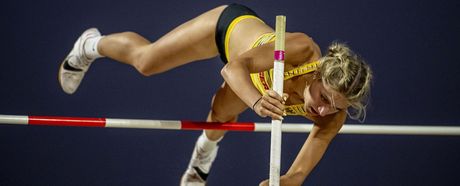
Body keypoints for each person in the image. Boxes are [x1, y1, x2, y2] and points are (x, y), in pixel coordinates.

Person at [58, 3, 372, 186]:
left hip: (255, 84)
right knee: (146, 62)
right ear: (318, 74)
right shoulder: (301, 49)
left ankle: (201, 159)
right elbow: (234, 68)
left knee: (220, 116)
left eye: (335, 106)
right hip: (226, 31)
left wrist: (284, 182)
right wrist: (257, 101)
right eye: (323, 97)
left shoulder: (332, 116)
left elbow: (297, 174)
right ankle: (89, 45)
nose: (322, 110)